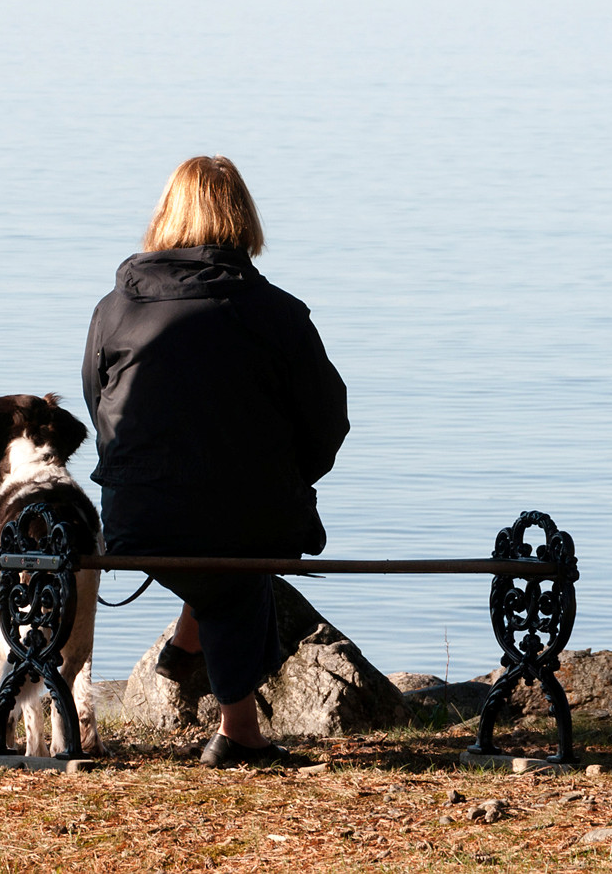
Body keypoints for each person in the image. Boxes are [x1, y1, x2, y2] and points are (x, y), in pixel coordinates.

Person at [82, 155, 349, 767]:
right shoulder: (278, 314)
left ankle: (186, 647)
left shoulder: (113, 310)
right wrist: (289, 476)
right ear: (243, 218)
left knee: (216, 545)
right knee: (234, 559)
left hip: (137, 512)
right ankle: (238, 732)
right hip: (246, 512)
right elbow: (328, 419)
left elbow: (101, 409)